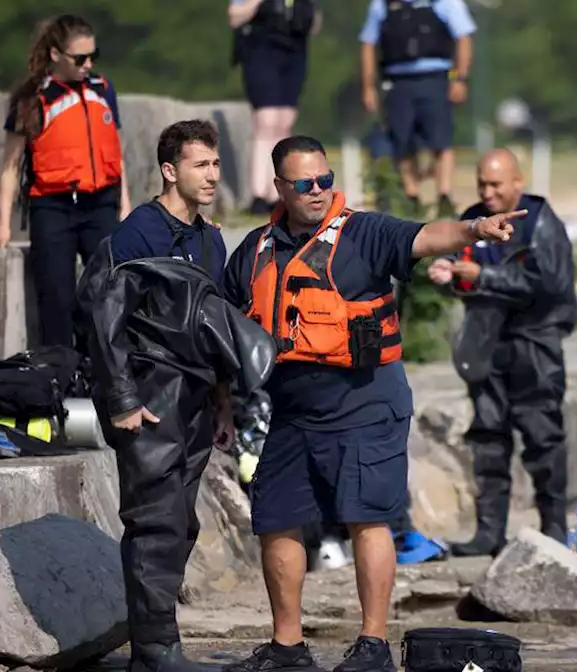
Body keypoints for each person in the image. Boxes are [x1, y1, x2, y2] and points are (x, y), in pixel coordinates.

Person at [221, 135, 522, 672]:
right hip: (291, 412)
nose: (317, 191)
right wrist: (221, 401)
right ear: (280, 188)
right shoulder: (254, 250)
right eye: (304, 184)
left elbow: (429, 236)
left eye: (325, 180)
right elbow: (226, 330)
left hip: (366, 404)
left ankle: (373, 645)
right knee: (276, 520)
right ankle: (288, 646)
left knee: (367, 519)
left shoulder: (364, 233)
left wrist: (474, 229)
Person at [78, 119, 248, 672]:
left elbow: (214, 325)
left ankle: (156, 642)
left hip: (197, 399)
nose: (212, 175)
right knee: (157, 522)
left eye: (217, 164)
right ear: (170, 170)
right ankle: (154, 652)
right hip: (149, 396)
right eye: (201, 165)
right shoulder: (137, 234)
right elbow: (105, 320)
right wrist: (123, 400)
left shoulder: (210, 238)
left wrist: (223, 402)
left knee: (183, 521)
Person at [427, 148, 577, 557]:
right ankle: (489, 532)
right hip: (486, 343)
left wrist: (482, 276)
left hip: (535, 342)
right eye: (482, 184)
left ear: (517, 183)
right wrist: (448, 273)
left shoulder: (543, 224)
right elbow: (459, 264)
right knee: (488, 436)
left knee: (543, 436)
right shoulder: (473, 218)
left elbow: (548, 286)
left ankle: (555, 529)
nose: (488, 193)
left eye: (496, 184)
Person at [0, 14, 133, 349]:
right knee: (57, 301)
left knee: (108, 297)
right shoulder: (32, 98)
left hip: (101, 204)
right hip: (54, 208)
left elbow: (115, 154)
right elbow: (10, 166)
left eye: (93, 56)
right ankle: (59, 379)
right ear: (56, 55)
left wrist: (125, 204)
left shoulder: (102, 89)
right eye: (80, 58)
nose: (88, 64)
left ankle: (105, 379)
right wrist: (3, 227)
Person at [358, 0, 476, 217]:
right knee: (402, 141)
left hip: (436, 77)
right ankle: (412, 197)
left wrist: (460, 77)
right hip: (397, 80)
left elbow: (464, 37)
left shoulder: (444, 3)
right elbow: (368, 44)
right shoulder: (382, 5)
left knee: (441, 140)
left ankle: (444, 196)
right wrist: (368, 86)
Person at [228, 0, 322, 215]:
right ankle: (259, 193)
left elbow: (315, 25)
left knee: (284, 122)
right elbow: (235, 17)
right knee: (266, 121)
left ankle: (276, 194)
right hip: (262, 49)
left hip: (295, 50)